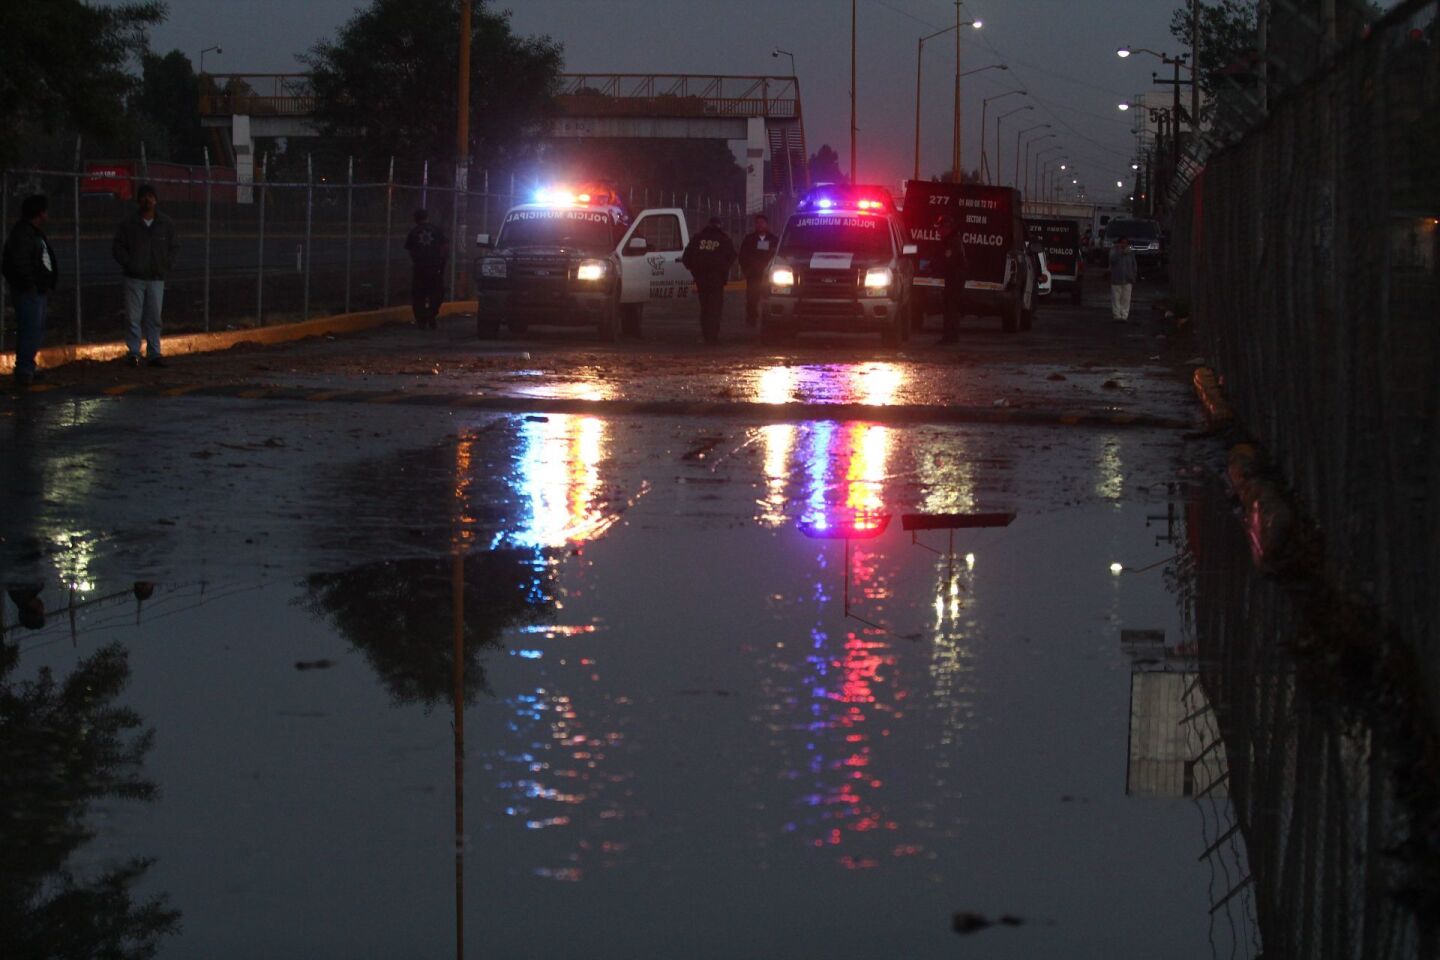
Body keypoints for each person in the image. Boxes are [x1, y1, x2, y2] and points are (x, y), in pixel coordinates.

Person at [112, 184, 179, 368]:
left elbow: (174, 248)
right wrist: (129, 263)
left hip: (156, 277)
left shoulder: (165, 224)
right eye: (144, 196)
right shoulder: (129, 224)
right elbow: (118, 247)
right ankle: (134, 353)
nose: (147, 200)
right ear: (138, 200)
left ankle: (154, 353)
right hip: (135, 277)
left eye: (150, 196)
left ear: (155, 199)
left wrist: (165, 265)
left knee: (154, 317)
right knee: (134, 317)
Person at [2, 195, 58, 387]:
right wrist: (30, 284)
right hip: (29, 291)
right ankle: (25, 370)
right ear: (39, 213)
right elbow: (18, 262)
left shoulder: (32, 233)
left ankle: (28, 367)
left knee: (35, 330)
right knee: (30, 330)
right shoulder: (24, 235)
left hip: (35, 289)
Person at [681, 217, 736, 344]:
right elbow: (731, 257)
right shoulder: (724, 239)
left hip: (701, 279)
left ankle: (706, 335)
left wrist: (696, 271)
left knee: (705, 308)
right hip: (716, 280)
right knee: (715, 309)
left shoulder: (698, 238)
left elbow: (686, 258)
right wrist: (722, 270)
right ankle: (713, 336)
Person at [405, 209, 448, 329]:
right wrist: (441, 264)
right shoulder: (436, 230)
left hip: (419, 269)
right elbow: (444, 247)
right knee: (437, 294)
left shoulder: (413, 232)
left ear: (415, 219)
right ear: (427, 217)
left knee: (419, 295)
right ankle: (431, 314)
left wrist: (416, 261)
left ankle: (421, 320)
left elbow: (410, 250)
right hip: (434, 268)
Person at [737, 214, 777, 328]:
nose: (759, 225)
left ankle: (770, 320)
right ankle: (751, 320)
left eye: (762, 223)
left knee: (769, 299)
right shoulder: (749, 239)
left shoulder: (773, 240)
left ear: (767, 224)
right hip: (753, 276)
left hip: (769, 277)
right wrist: (747, 270)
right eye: (757, 223)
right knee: (752, 299)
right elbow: (742, 256)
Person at [938, 214, 968, 343]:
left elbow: (949, 262)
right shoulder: (951, 240)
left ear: (947, 227)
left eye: (940, 228)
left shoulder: (952, 242)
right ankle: (950, 336)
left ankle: (950, 337)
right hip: (953, 279)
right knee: (950, 308)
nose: (939, 231)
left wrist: (935, 268)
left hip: (954, 279)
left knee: (951, 308)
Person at [1108, 236, 1138, 323]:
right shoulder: (1114, 251)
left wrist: (1134, 275)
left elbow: (1134, 265)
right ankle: (1117, 315)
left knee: (1126, 298)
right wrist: (1119, 252)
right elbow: (1111, 260)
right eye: (1122, 242)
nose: (1123, 244)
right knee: (1116, 298)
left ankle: (1124, 315)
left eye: (1125, 243)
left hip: (1128, 279)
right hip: (1116, 279)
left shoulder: (1131, 253)